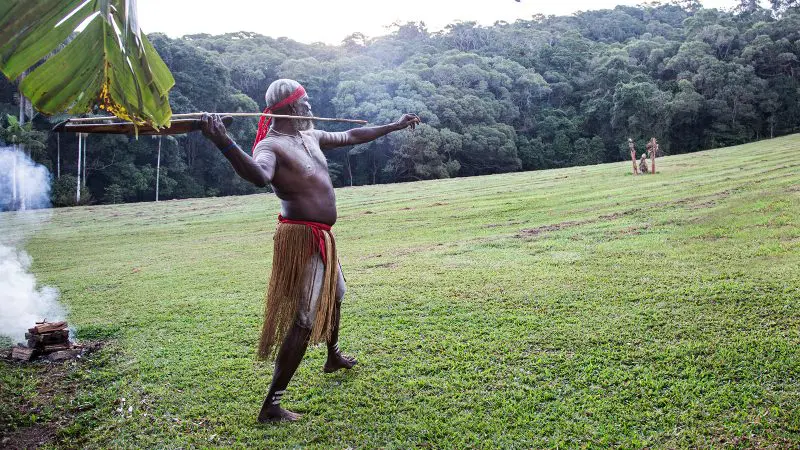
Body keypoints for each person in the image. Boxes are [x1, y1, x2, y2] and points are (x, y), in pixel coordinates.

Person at [199, 78, 420, 422]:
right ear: (289, 106)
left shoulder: (309, 135)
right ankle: (271, 405)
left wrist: (393, 126)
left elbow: (352, 136)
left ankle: (332, 355)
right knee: (303, 320)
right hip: (301, 240)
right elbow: (259, 176)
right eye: (306, 103)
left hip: (323, 236)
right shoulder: (270, 146)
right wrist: (224, 142)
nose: (311, 108)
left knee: (336, 293)